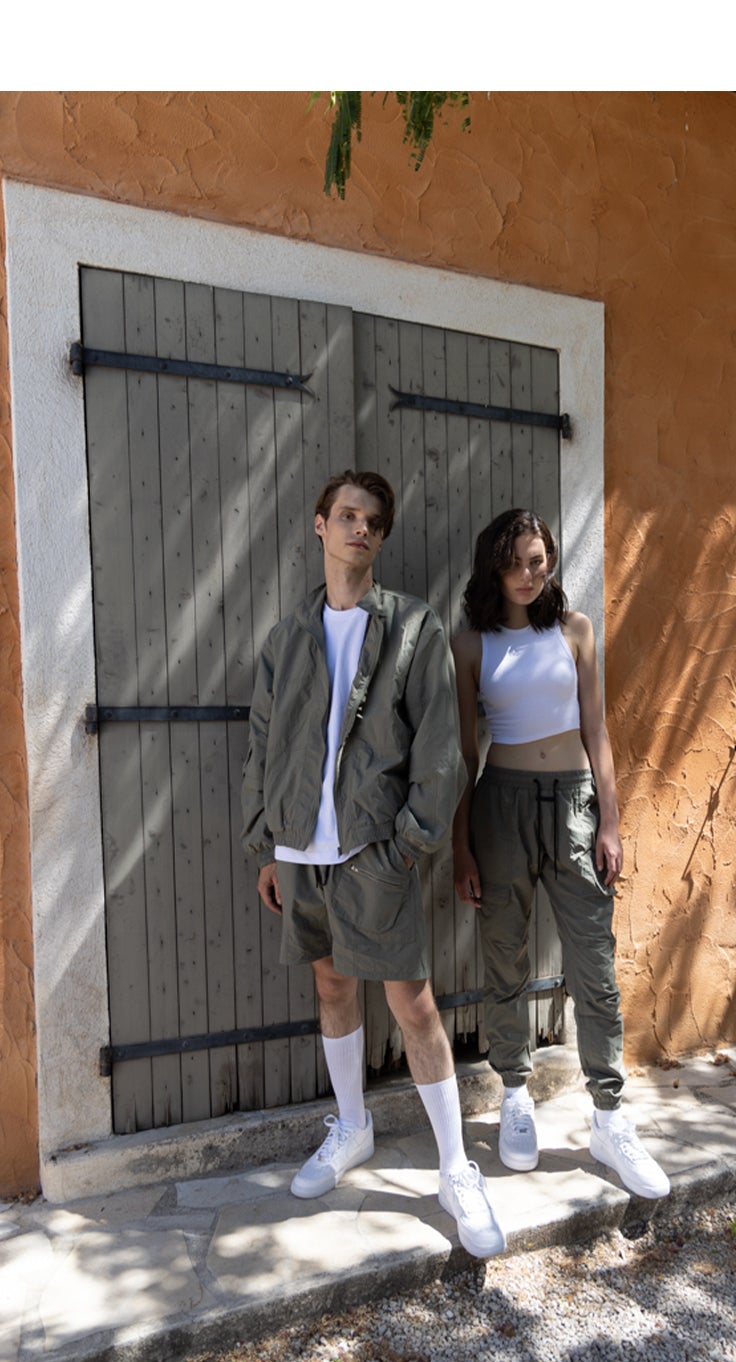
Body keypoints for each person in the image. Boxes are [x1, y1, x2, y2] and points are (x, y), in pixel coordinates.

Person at [239, 470, 506, 1258]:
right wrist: (266, 843)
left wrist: (411, 845)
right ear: (318, 526)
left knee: (415, 1004)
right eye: (346, 515)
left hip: (374, 854)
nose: (359, 529)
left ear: (381, 539)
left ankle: (455, 1169)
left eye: (372, 521)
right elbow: (261, 746)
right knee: (330, 983)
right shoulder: (287, 640)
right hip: (300, 852)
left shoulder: (413, 629)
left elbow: (441, 751)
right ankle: (352, 1127)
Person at [449, 508, 670, 1199]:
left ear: (550, 562)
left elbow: (598, 728)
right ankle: (515, 1093)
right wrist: (460, 844)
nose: (526, 573)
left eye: (537, 559)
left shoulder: (575, 630)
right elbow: (463, 750)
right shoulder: (471, 642)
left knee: (593, 965)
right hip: (501, 803)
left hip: (574, 801)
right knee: (505, 956)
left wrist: (611, 818)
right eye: (513, 561)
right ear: (494, 566)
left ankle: (608, 1115)